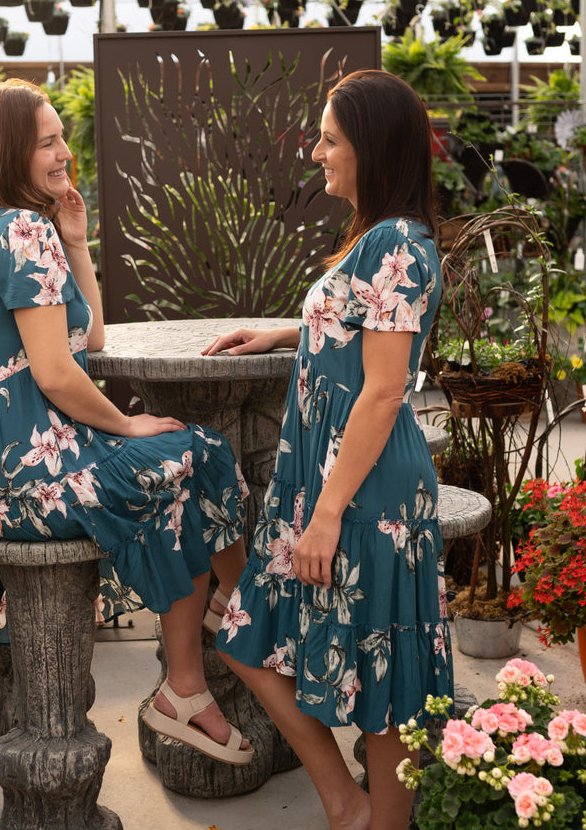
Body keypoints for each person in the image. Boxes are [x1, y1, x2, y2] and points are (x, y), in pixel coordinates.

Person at [0, 78, 252, 765]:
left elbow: (90, 340)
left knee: (189, 456)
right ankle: (226, 628)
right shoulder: (20, 230)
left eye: (60, 138)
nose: (62, 154)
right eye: (46, 141)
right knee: (187, 456)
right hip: (28, 480)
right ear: (7, 151)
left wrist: (77, 242)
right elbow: (55, 374)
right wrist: (127, 426)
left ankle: (220, 626)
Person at [203, 69, 448, 829]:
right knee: (247, 633)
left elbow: (383, 389)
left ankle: (381, 822)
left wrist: (328, 513)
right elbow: (358, 328)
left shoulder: (397, 241)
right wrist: (287, 330)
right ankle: (347, 803)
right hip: (334, 486)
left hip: (363, 492)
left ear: (371, 149)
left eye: (329, 140)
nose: (314, 153)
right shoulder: (376, 239)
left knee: (383, 682)